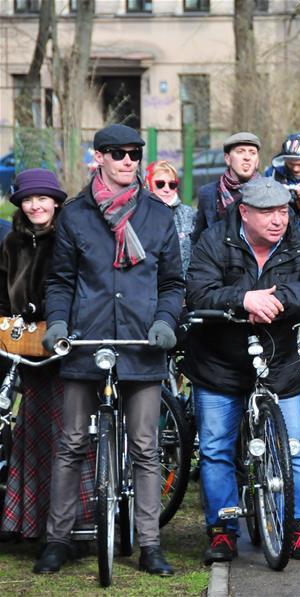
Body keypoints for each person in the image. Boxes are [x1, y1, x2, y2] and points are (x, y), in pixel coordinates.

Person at [36, 124, 183, 575]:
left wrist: (164, 322)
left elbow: (173, 283)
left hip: (142, 345)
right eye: (117, 153)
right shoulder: (76, 215)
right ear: (98, 157)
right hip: (87, 341)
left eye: (135, 154)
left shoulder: (158, 215)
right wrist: (58, 322)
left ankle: (149, 544)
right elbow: (60, 281)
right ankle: (58, 540)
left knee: (145, 446)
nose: (128, 161)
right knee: (71, 443)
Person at [183, 177, 300, 563]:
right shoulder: (213, 241)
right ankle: (222, 532)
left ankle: (298, 529)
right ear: (244, 212)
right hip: (219, 361)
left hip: (279, 359)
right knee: (215, 450)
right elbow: (197, 292)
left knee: (296, 448)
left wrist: (278, 300)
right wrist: (242, 299)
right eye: (267, 212)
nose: (278, 220)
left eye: (283, 211)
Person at [0, 170, 94, 542]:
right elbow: (2, 295)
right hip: (27, 351)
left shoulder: (70, 237)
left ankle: (74, 525)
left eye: (42, 198)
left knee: (68, 438)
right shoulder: (11, 243)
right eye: (28, 199)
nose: (35, 205)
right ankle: (32, 523)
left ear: (56, 201)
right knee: (33, 436)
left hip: (67, 350)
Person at [192, 132, 262, 243]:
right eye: (240, 152)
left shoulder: (270, 191)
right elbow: (199, 238)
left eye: (252, 153)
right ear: (227, 158)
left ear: (257, 161)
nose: (247, 157)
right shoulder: (208, 194)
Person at [146, 160, 196, 277]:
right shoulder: (139, 214)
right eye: (160, 184)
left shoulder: (188, 214)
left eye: (172, 184)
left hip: (182, 288)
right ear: (148, 185)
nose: (167, 189)